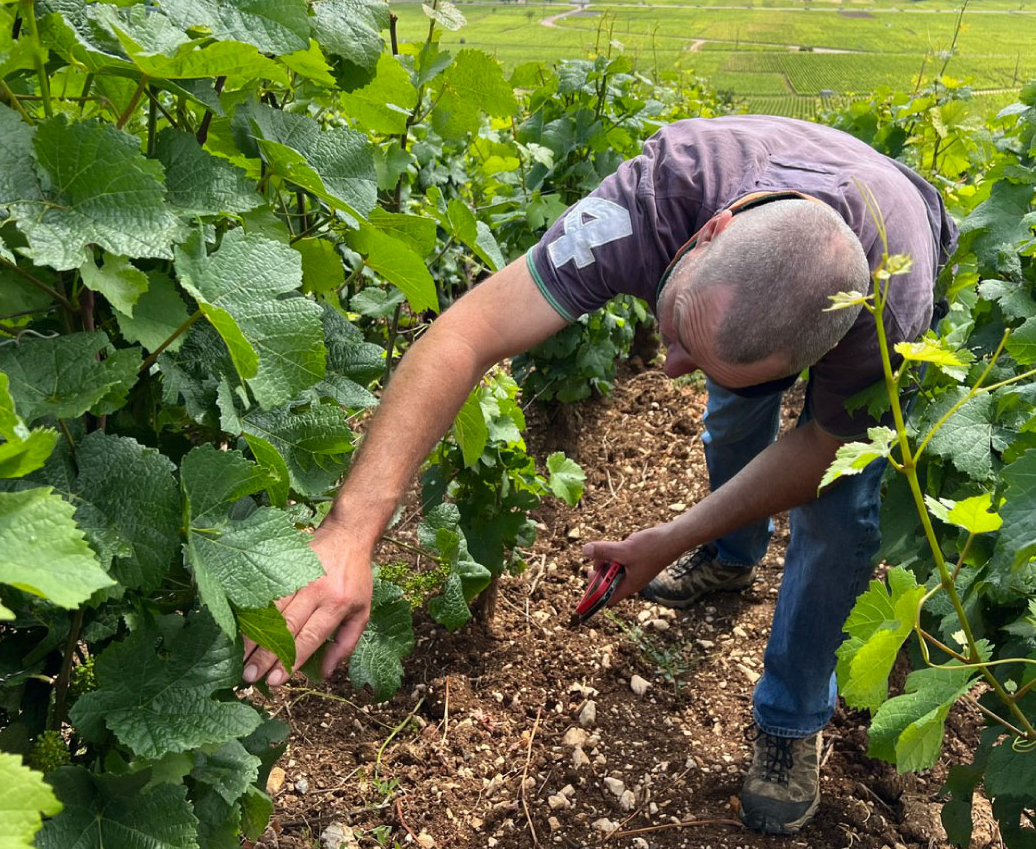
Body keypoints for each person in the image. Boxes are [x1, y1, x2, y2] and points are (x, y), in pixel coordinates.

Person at [241, 114, 958, 836]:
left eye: (696, 359)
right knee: (734, 418)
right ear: (708, 232)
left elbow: (820, 449)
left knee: (840, 518)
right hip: (770, 225)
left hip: (891, 240)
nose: (669, 367)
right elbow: (467, 332)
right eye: (676, 328)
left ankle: (790, 717)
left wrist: (670, 535)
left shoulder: (892, 311)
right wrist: (350, 531)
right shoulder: (657, 195)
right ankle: (732, 558)